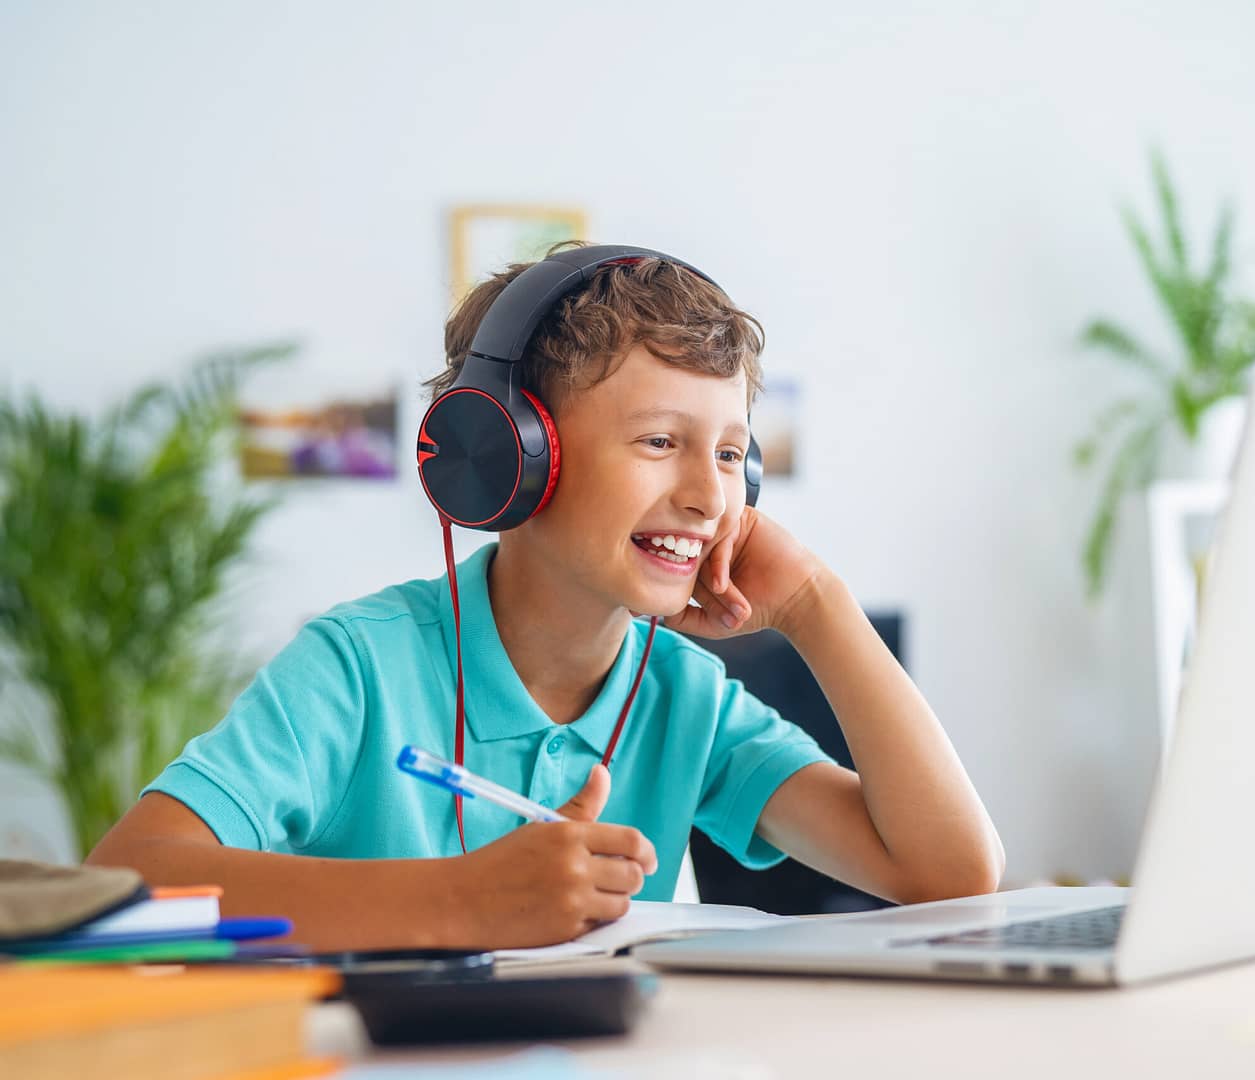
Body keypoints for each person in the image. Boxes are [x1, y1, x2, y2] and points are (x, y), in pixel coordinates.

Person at [87, 245, 1003, 951]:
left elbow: (950, 873)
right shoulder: (361, 667)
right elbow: (130, 876)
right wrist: (460, 902)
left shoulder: (682, 692)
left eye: (730, 454)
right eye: (657, 440)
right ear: (512, 457)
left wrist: (814, 600)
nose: (709, 495)